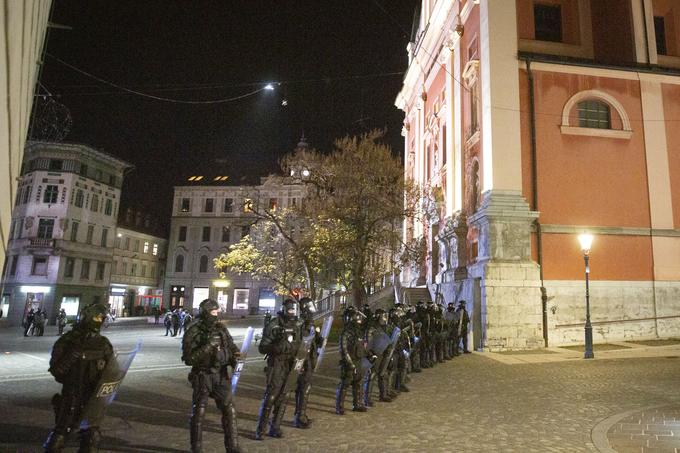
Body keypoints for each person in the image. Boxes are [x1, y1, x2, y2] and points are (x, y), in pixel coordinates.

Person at [43, 303, 114, 452]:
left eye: (101, 318)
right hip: (72, 394)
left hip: (93, 397)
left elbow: (111, 371)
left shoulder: (103, 343)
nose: (99, 321)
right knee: (60, 434)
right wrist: (74, 354)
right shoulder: (69, 340)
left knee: (91, 437)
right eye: (96, 317)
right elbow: (57, 371)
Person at [182, 299, 241, 453]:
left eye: (217, 312)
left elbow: (231, 347)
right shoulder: (193, 329)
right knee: (199, 412)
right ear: (206, 312)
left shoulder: (221, 328)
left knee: (230, 409)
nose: (216, 314)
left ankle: (233, 447)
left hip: (221, 375)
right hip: (203, 375)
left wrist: (236, 357)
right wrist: (208, 346)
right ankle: (196, 448)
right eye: (213, 312)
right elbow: (189, 358)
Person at [254, 298, 302, 440]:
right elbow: (262, 347)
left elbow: (300, 345)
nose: (292, 312)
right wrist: (276, 347)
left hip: (291, 364)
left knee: (285, 396)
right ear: (284, 309)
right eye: (289, 310)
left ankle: (275, 427)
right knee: (272, 396)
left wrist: (300, 364)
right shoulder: (274, 324)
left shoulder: (298, 324)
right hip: (276, 363)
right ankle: (261, 429)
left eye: (294, 310)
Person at [293, 297, 323, 429]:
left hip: (310, 359)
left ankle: (301, 414)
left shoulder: (311, 323)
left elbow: (316, 342)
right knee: (302, 388)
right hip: (301, 360)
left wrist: (319, 337)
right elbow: (297, 343)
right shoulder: (299, 323)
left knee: (305, 388)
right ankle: (299, 417)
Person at [336, 306, 368, 415]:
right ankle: (339, 406)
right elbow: (343, 349)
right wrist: (350, 363)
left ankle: (357, 404)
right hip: (349, 361)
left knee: (358, 383)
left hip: (358, 359)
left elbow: (362, 346)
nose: (358, 319)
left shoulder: (358, 331)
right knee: (345, 384)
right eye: (355, 317)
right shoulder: (346, 332)